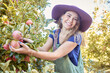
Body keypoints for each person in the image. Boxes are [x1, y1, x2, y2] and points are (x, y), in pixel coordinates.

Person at [10, 4, 92, 73]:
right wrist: (28, 42)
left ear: (77, 23)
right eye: (69, 15)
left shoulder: (76, 36)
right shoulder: (55, 33)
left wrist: (30, 52)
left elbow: (55, 55)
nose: (70, 20)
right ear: (62, 16)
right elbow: (43, 50)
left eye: (75, 19)